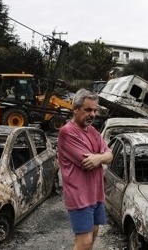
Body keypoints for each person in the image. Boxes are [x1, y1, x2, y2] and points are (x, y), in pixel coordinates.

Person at [57, 88, 113, 250]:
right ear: (75, 109)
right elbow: (87, 161)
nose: (93, 114)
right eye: (88, 110)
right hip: (79, 196)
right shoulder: (67, 132)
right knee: (85, 241)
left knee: (94, 233)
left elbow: (110, 155)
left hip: (96, 194)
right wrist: (101, 157)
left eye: (95, 110)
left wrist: (100, 157)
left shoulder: (94, 131)